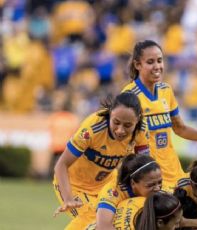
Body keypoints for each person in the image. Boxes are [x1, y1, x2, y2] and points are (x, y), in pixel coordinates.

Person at [121, 40, 197, 191]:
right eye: (150, 62)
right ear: (137, 65)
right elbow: (121, 141)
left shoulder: (166, 90)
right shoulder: (129, 97)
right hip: (151, 178)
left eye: (159, 61)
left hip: (174, 172)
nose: (157, 66)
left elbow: (180, 128)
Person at [53, 92, 149, 229]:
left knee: (119, 216)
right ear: (110, 114)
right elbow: (61, 165)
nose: (120, 130)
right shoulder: (92, 129)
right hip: (74, 185)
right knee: (94, 219)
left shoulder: (141, 131)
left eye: (128, 125)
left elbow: (145, 168)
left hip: (106, 183)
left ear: (138, 120)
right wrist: (68, 199)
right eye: (116, 122)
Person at [95, 154, 162, 230]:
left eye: (160, 182)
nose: (157, 188)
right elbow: (103, 227)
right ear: (133, 183)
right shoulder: (112, 192)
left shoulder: (153, 183)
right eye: (150, 185)